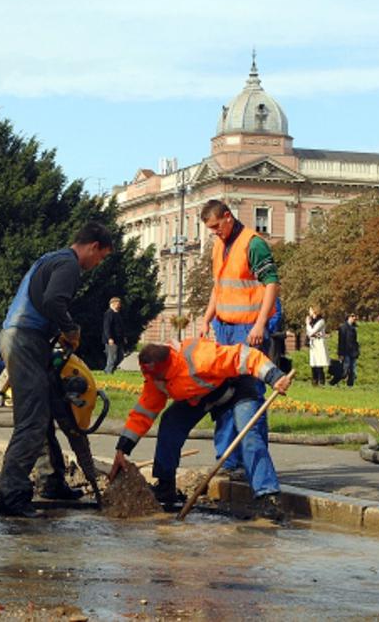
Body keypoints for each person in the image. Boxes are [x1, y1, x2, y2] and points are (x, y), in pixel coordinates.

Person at [0, 222, 114, 518]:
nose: (96, 265)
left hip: (25, 337)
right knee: (32, 420)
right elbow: (53, 301)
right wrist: (71, 329)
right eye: (100, 258)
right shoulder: (69, 264)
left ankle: (52, 481)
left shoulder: (51, 258)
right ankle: (12, 496)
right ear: (92, 247)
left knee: (47, 411)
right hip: (26, 339)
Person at [110, 339, 294, 518]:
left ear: (167, 366)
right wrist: (123, 449)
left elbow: (245, 355)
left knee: (249, 436)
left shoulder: (199, 357)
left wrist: (274, 376)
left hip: (236, 388)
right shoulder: (154, 378)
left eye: (157, 376)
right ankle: (165, 487)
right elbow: (144, 413)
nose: (154, 380)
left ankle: (268, 496)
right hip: (202, 397)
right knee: (170, 423)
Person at [197, 199, 281, 492]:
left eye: (217, 227)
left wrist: (260, 324)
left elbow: (271, 284)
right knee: (222, 393)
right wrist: (207, 317)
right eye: (210, 230)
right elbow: (219, 286)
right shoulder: (219, 245)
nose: (215, 233)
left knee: (247, 395)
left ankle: (250, 464)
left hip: (248, 329)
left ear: (228, 218)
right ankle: (227, 461)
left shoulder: (253, 244)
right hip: (223, 326)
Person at [305, 307, 329, 385]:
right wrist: (311, 330)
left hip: (319, 344)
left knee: (319, 363)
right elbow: (309, 333)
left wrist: (308, 324)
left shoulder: (321, 321)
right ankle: (314, 382)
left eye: (311, 310)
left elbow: (311, 332)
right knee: (313, 363)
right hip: (313, 343)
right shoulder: (312, 321)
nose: (309, 312)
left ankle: (321, 382)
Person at [102, 296, 124, 373]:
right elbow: (106, 327)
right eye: (118, 303)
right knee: (112, 357)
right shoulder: (109, 314)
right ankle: (108, 371)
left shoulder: (117, 314)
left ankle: (110, 370)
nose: (119, 305)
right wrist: (109, 338)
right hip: (112, 340)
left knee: (120, 357)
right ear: (113, 303)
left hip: (118, 339)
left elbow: (120, 327)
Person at [336, 313, 359, 386]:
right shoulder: (343, 328)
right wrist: (340, 353)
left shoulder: (354, 328)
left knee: (353, 370)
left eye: (355, 316)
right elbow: (341, 341)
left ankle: (350, 385)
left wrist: (357, 350)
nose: (354, 318)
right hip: (346, 352)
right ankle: (336, 381)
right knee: (345, 370)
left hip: (353, 352)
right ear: (348, 317)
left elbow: (355, 341)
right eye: (352, 316)